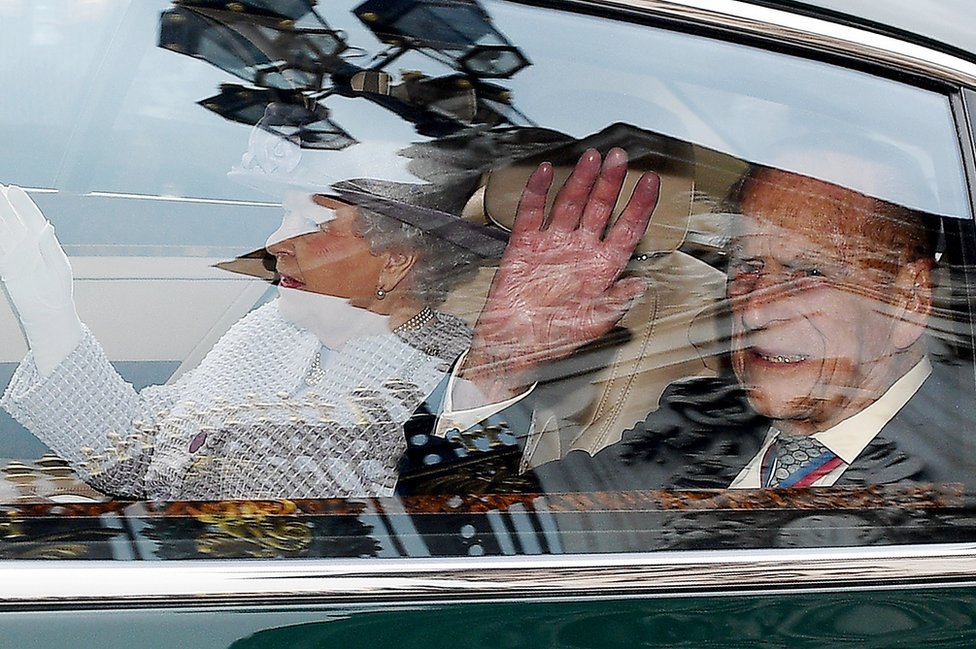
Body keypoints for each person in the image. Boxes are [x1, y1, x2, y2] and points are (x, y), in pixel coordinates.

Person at [461, 149, 976, 492]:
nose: (754, 308)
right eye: (748, 266)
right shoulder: (703, 415)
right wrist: (499, 362)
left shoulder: (956, 472)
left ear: (909, 300)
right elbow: (486, 532)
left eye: (810, 272)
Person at [0, 184, 479, 500]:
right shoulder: (271, 330)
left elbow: (282, 512)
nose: (274, 242)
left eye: (313, 224)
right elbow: (138, 456)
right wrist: (50, 318)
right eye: (283, 217)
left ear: (395, 261)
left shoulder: (444, 371)